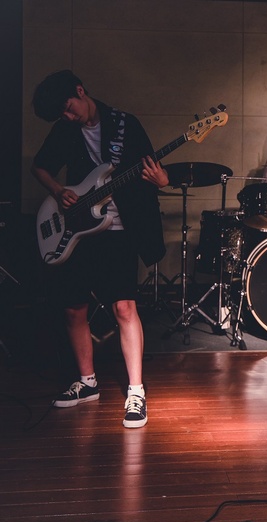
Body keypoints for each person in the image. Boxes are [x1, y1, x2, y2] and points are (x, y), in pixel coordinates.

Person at [31, 70, 169, 428]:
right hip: (77, 231)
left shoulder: (125, 124)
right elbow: (39, 167)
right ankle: (87, 382)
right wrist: (58, 190)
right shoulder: (64, 129)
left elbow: (153, 170)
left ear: (81, 91)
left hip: (119, 229)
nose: (67, 116)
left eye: (68, 108)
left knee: (124, 307)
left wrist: (162, 180)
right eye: (62, 114)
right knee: (74, 307)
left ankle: (136, 390)